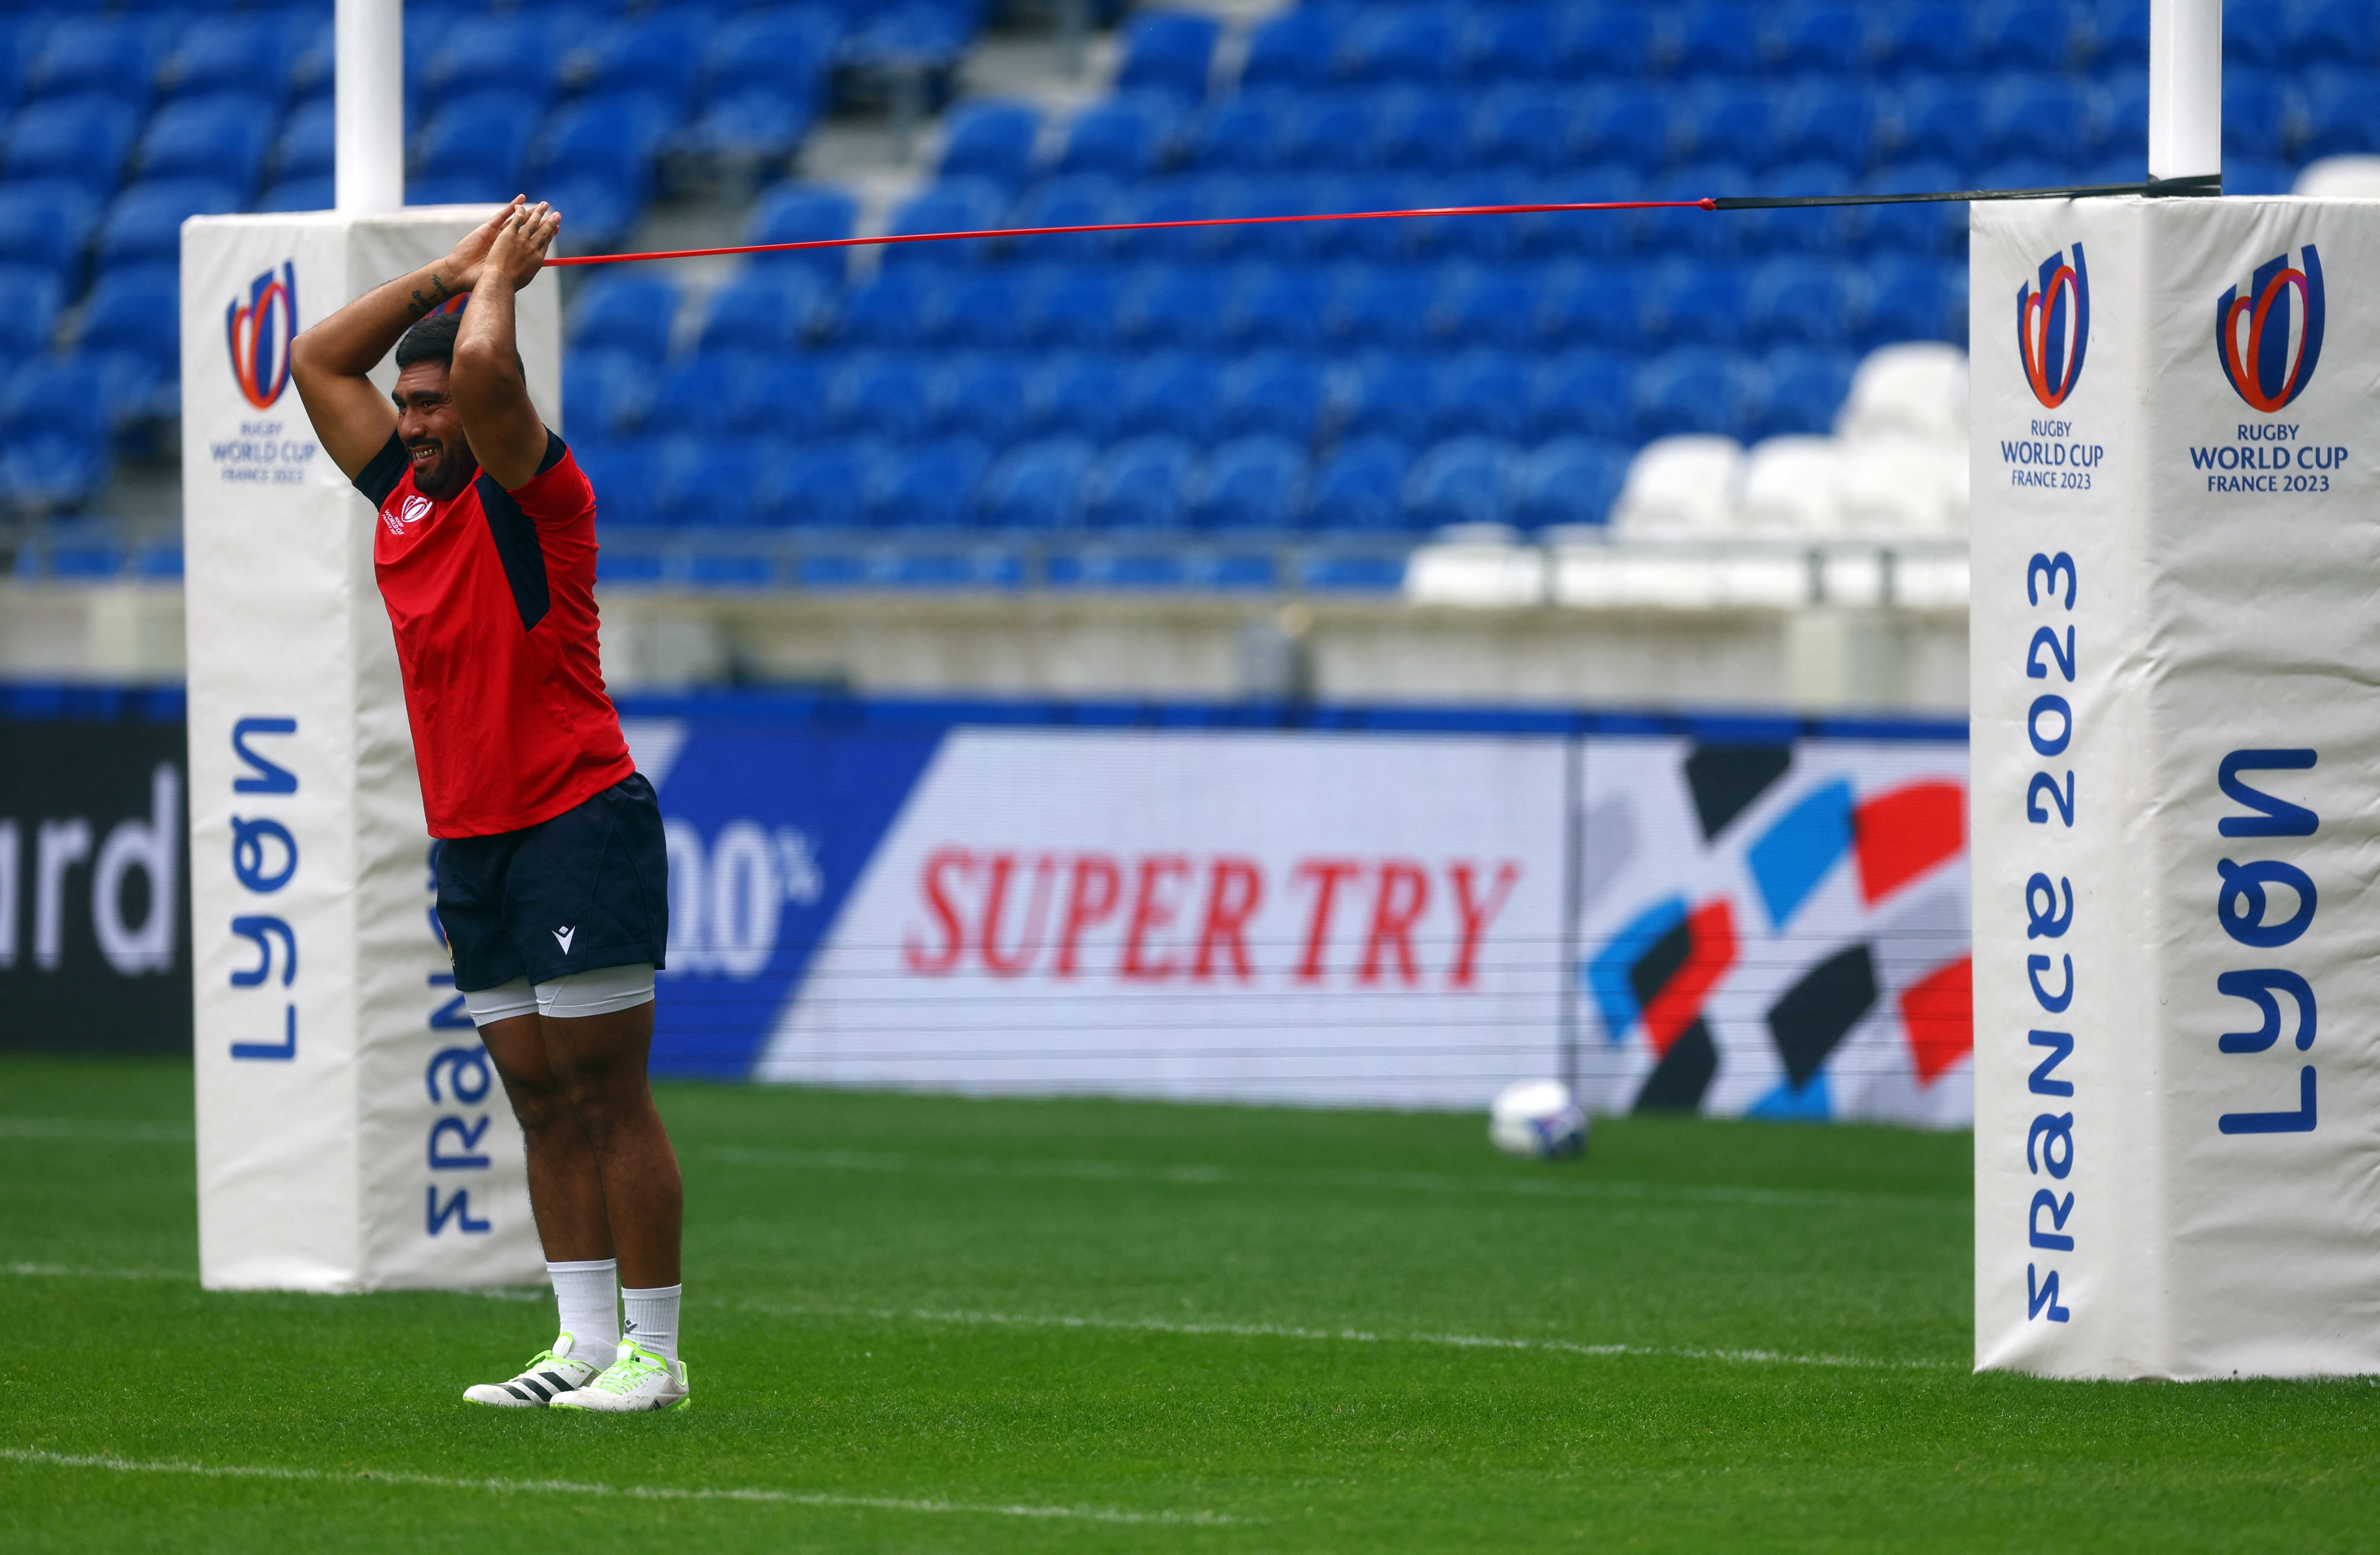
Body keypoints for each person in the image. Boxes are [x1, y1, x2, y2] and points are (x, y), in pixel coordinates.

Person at [289, 198, 688, 1412]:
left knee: (603, 1090)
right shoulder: (405, 501)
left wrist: (495, 286)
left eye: (432, 410)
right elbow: (315, 358)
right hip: (473, 842)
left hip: (574, 819)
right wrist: (450, 269)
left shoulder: (537, 498)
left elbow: (479, 365)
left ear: (489, 419)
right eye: (403, 408)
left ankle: (655, 1357)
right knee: (533, 1094)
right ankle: (575, 1344)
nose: (411, 424)